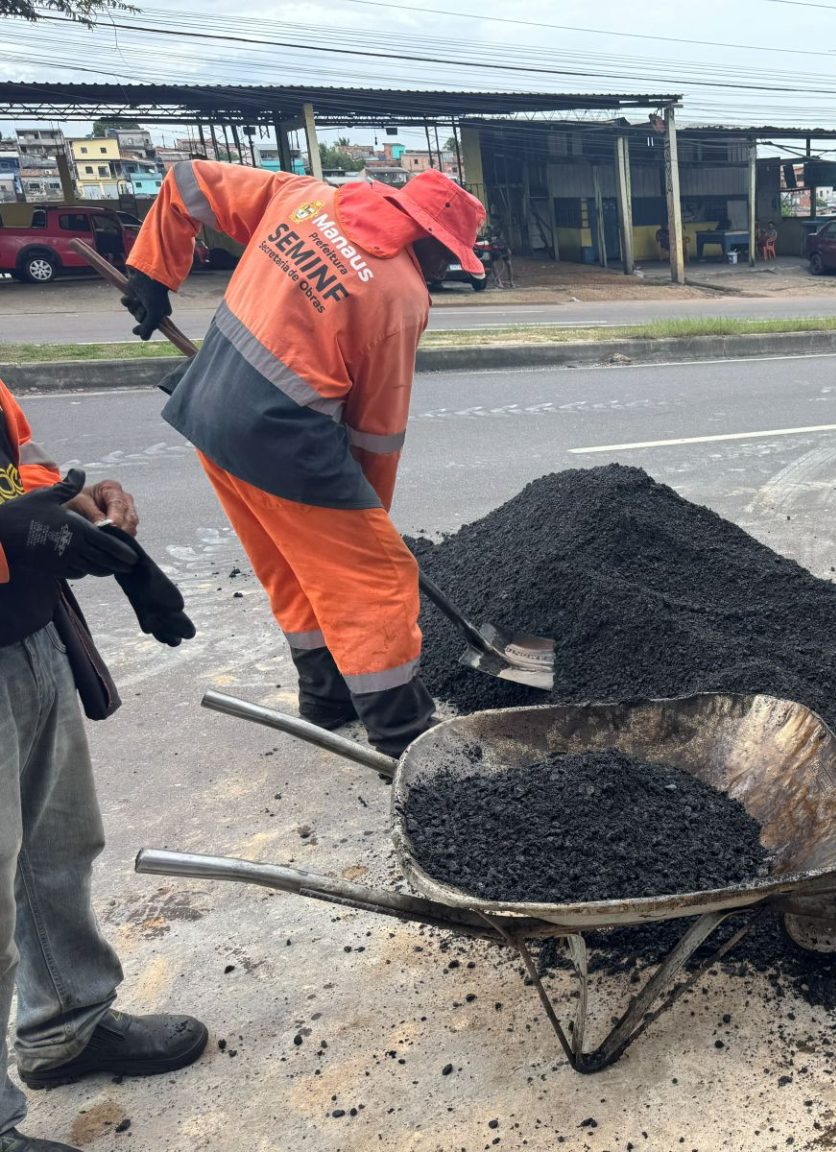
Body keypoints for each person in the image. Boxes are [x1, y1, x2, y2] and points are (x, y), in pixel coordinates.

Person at [121, 162, 488, 755]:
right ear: (426, 239)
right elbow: (376, 430)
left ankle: (326, 699)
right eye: (450, 254)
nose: (449, 267)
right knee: (374, 577)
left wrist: (152, 269)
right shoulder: (400, 295)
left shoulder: (304, 197)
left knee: (291, 566)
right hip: (281, 439)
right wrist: (368, 515)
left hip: (207, 405)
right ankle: (404, 737)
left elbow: (189, 181)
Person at [0, 379, 207, 1152]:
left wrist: (72, 508)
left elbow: (16, 451)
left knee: (56, 847)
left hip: (26, 631)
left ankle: (65, 1029)